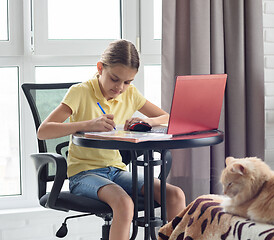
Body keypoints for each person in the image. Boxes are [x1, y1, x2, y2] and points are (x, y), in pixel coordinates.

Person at [37, 39, 186, 240]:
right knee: (124, 203)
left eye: (127, 82)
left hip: (117, 171)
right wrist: (86, 124)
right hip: (84, 174)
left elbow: (169, 117)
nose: (120, 88)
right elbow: (43, 131)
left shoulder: (130, 94)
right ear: (100, 68)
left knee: (175, 195)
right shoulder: (80, 92)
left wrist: (148, 121)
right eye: (115, 79)